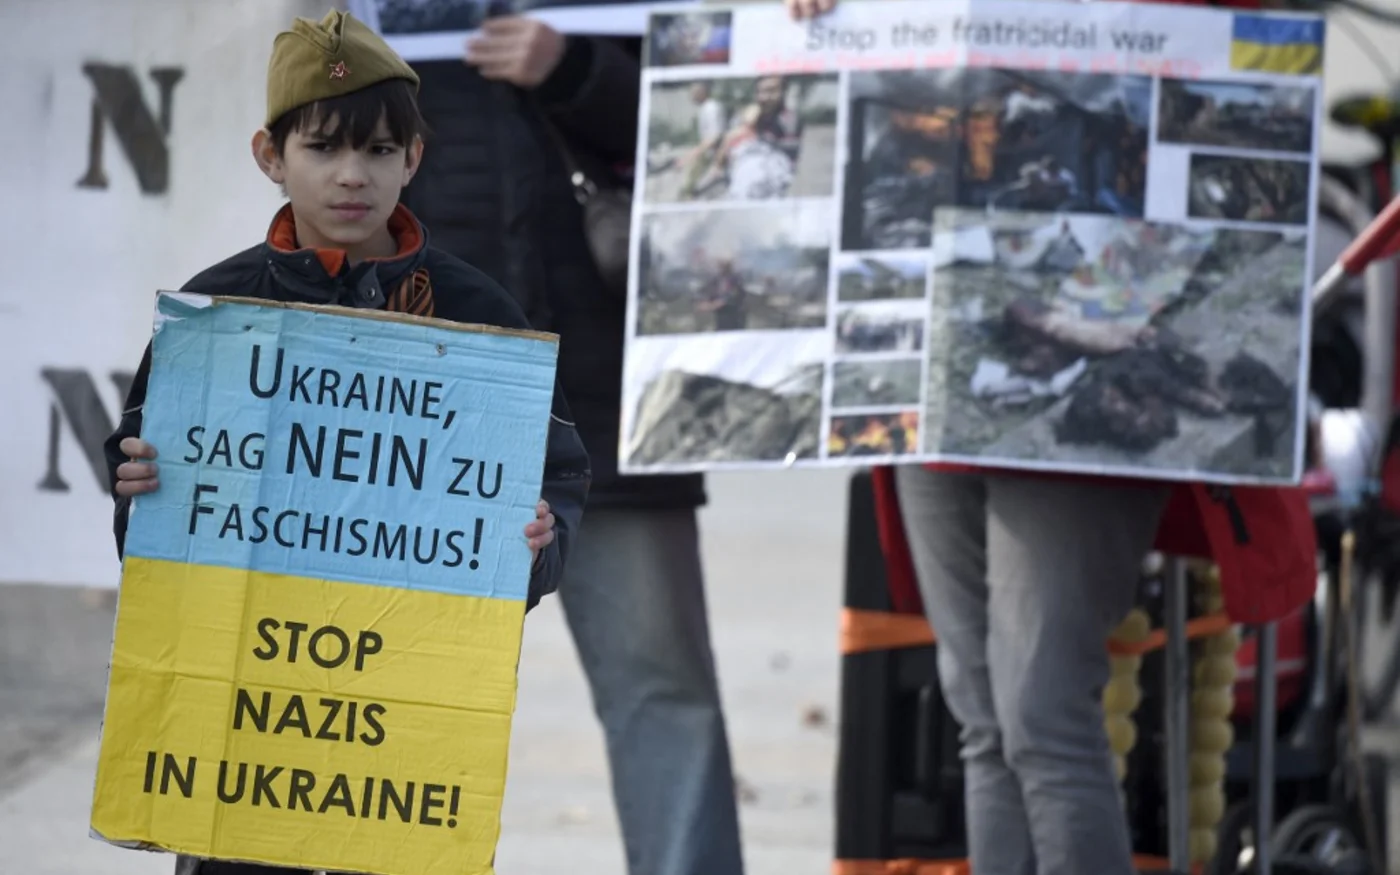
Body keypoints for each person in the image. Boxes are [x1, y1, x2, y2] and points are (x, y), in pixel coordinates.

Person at [102, 10, 590, 874]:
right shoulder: (216, 317)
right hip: (247, 724)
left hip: (402, 724)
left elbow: (551, 478)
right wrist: (137, 483)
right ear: (271, 158)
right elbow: (155, 513)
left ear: (414, 159)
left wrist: (539, 547)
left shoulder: (479, 319)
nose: (351, 175)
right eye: (323, 148)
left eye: (376, 151)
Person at [398, 16, 746, 875]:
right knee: (395, 692)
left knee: (661, 687)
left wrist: (575, 70)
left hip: (606, 395)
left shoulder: (613, 27)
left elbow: (727, 135)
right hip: (424, 398)